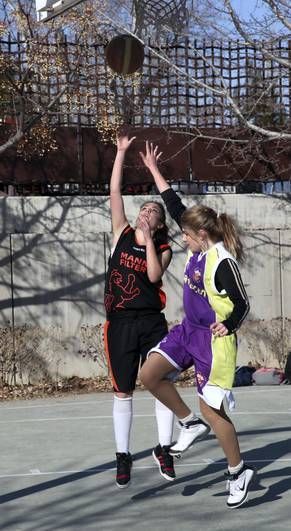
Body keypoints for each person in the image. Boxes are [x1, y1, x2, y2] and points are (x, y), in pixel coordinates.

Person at [139, 141, 255, 509]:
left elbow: (242, 301)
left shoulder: (221, 261)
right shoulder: (197, 246)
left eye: (187, 235)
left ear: (201, 236)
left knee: (213, 411)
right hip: (188, 331)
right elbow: (175, 208)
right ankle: (188, 423)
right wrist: (154, 170)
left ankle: (238, 472)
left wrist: (230, 323)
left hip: (213, 343)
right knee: (149, 375)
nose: (183, 239)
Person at [104, 134, 209, 489]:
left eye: (153, 212)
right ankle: (123, 456)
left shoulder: (162, 246)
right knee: (122, 391)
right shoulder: (120, 232)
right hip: (119, 322)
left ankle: (164, 448)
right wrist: (120, 153)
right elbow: (115, 192)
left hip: (150, 322)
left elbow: (152, 275)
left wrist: (149, 239)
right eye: (144, 209)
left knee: (160, 381)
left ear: (160, 224)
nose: (147, 213)